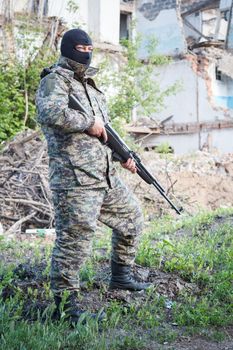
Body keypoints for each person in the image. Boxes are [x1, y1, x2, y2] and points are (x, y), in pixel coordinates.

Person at [36, 28, 151, 323]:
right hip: (75, 180)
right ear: (67, 49)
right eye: (80, 49)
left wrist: (122, 155)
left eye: (90, 50)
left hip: (105, 177)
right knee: (74, 240)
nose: (86, 54)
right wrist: (88, 122)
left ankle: (121, 277)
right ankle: (65, 307)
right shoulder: (54, 81)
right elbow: (50, 113)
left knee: (132, 219)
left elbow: (104, 134)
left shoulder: (90, 86)